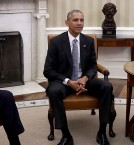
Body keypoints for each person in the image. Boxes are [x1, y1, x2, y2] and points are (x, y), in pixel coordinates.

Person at [43, 9, 114, 145]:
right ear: (67, 22)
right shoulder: (56, 42)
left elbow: (93, 65)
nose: (79, 23)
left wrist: (85, 78)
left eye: (81, 20)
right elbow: (48, 70)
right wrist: (68, 81)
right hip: (64, 82)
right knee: (53, 90)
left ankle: (102, 132)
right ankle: (66, 135)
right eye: (75, 20)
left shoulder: (88, 40)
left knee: (107, 86)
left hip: (85, 81)